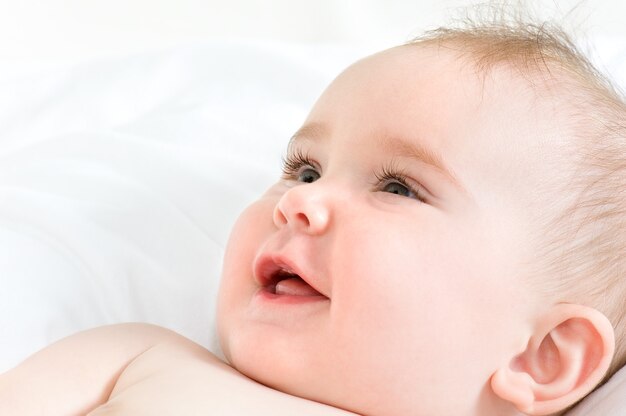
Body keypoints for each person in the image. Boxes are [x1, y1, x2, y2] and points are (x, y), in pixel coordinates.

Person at [1, 13, 624, 416]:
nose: (299, 200)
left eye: (399, 188)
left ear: (542, 357)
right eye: (305, 169)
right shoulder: (139, 360)